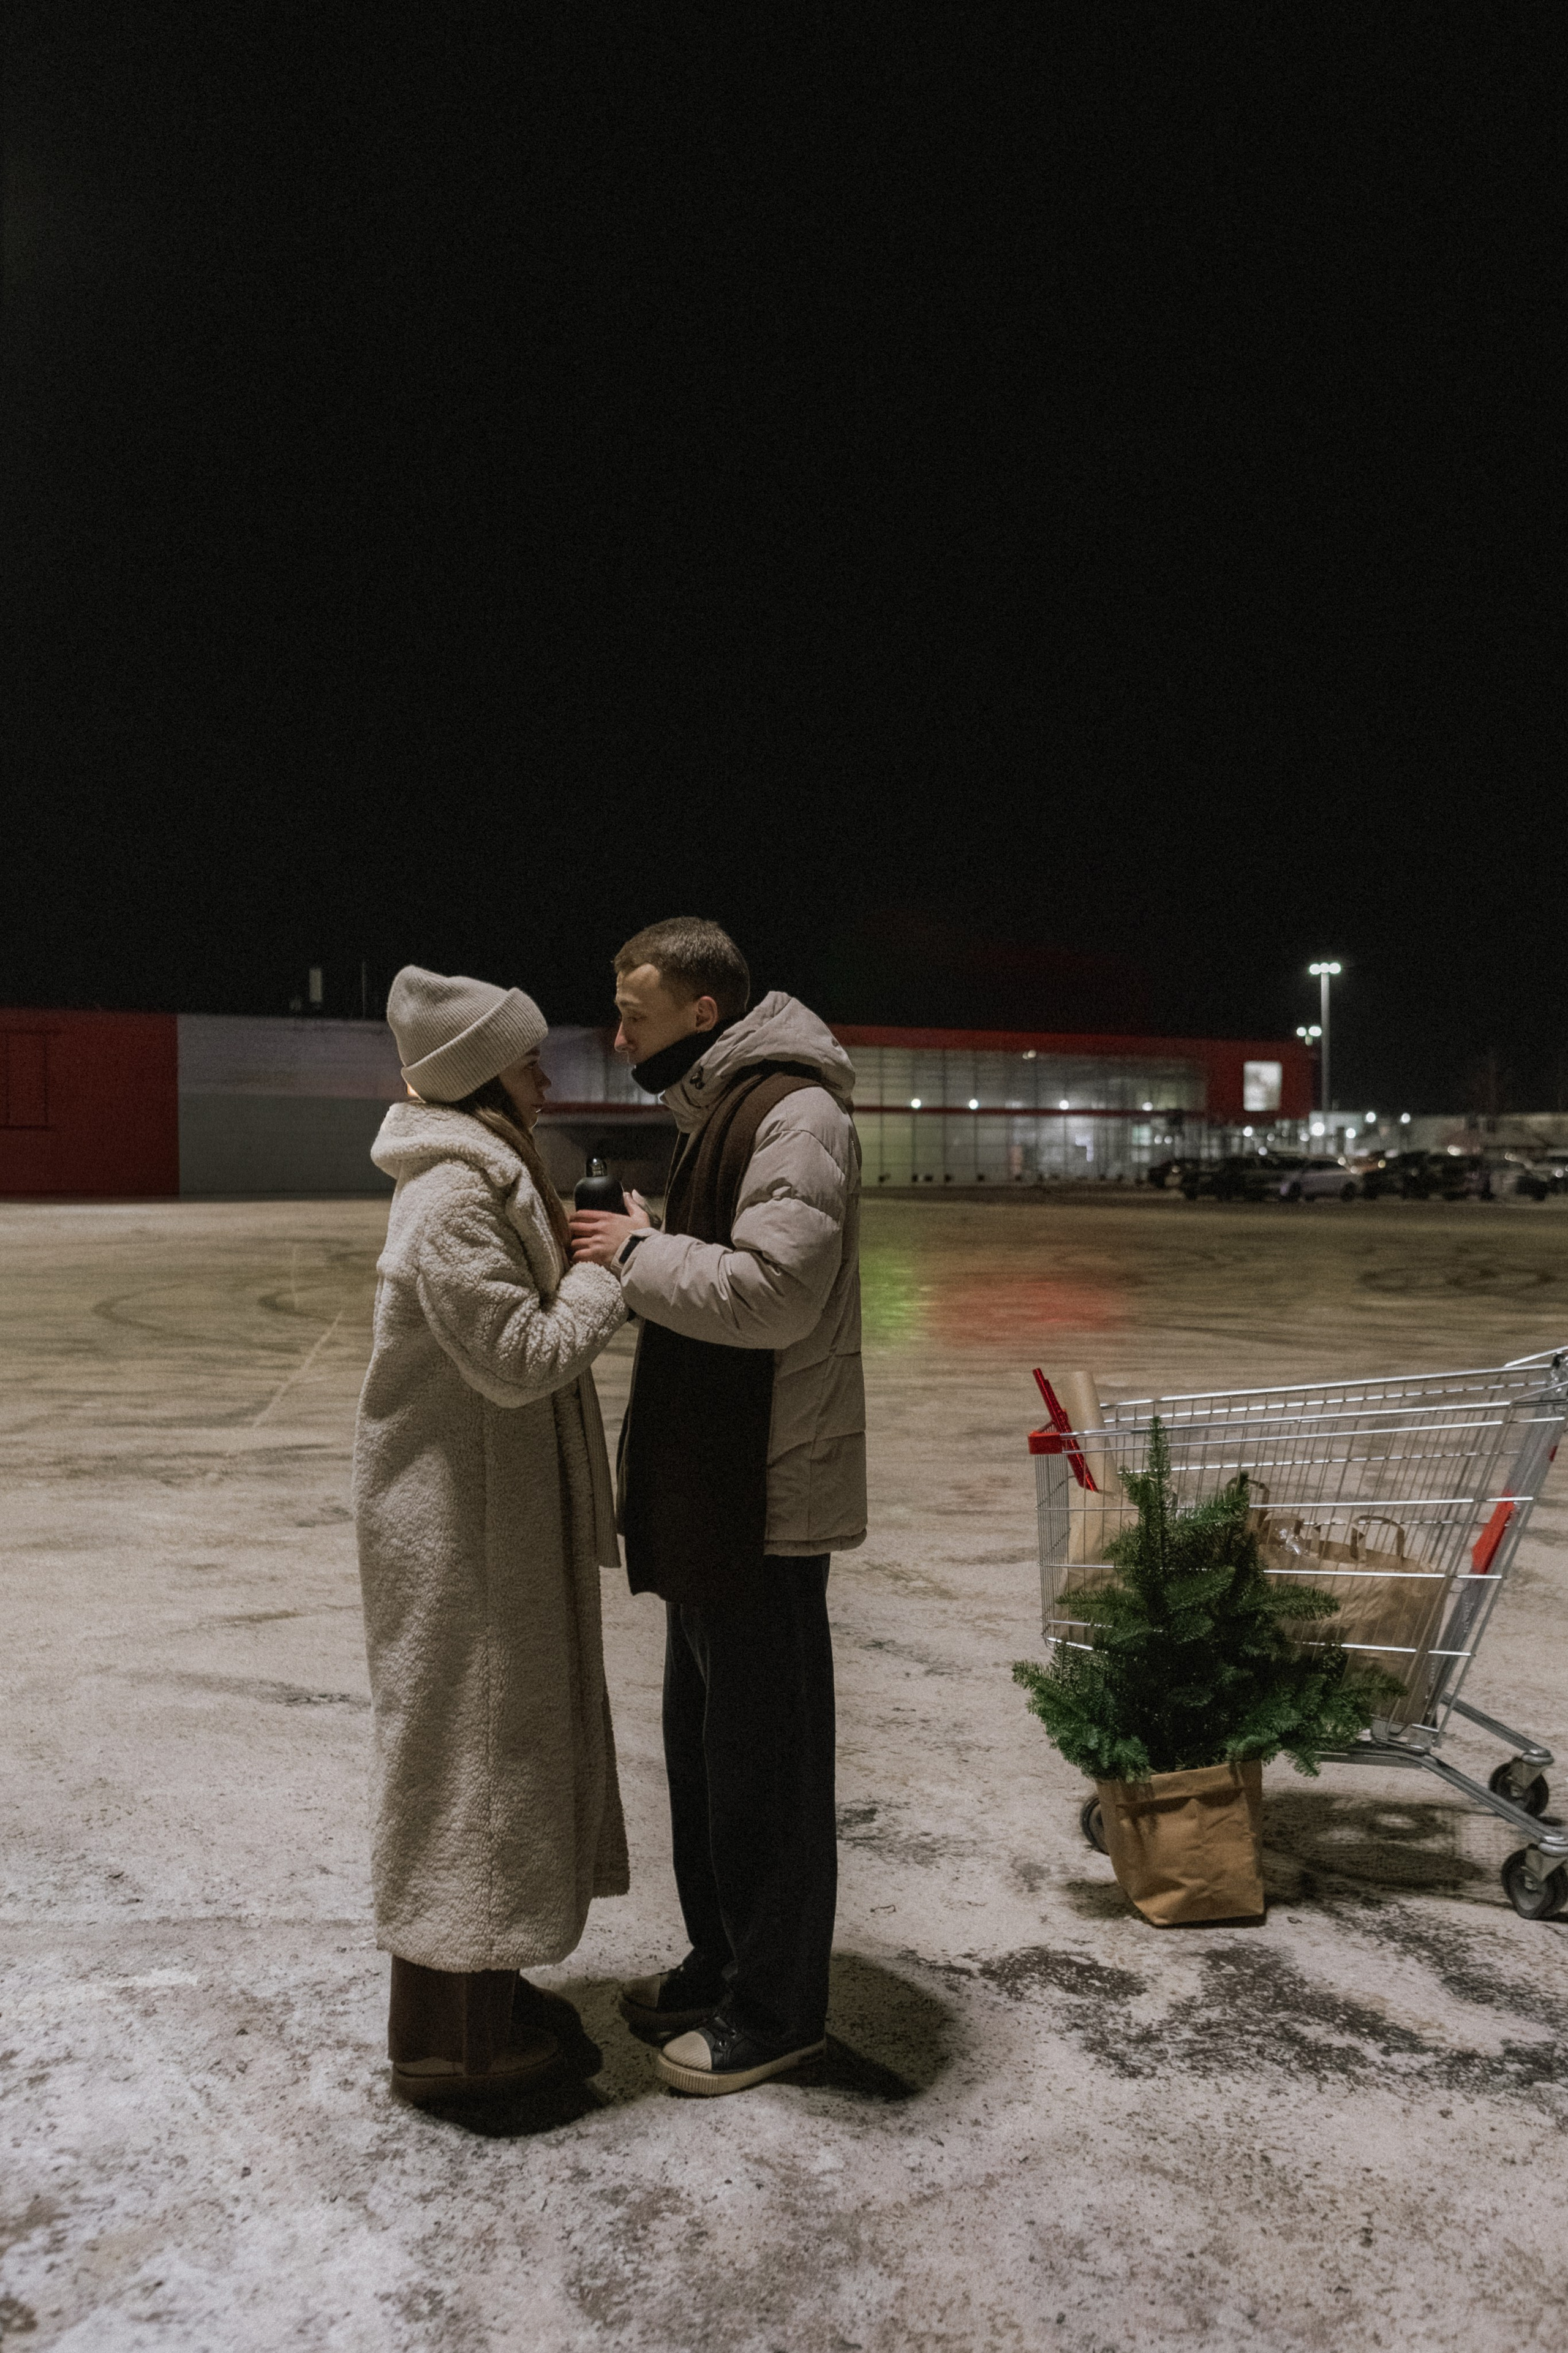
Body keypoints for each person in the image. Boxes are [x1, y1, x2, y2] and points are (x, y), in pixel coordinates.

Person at [570, 917, 865, 2097]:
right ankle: (722, 1961)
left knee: (769, 1771)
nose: (618, 1027)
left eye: (633, 1008)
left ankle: (776, 2008)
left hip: (765, 1506)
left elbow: (777, 1293)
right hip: (712, 1503)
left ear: (702, 1011)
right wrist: (657, 1235)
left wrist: (637, 1252)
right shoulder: (721, 1108)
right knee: (709, 1757)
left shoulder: (796, 1113)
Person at [355, 964, 630, 2104]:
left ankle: (492, 1978)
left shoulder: (489, 1175)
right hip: (458, 1533)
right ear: (479, 1078)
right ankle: (449, 2039)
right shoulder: (453, 1201)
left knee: (503, 1753)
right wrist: (605, 1279)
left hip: (493, 1514)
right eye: (525, 1057)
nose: (545, 1070)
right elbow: (518, 1358)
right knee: (470, 1760)